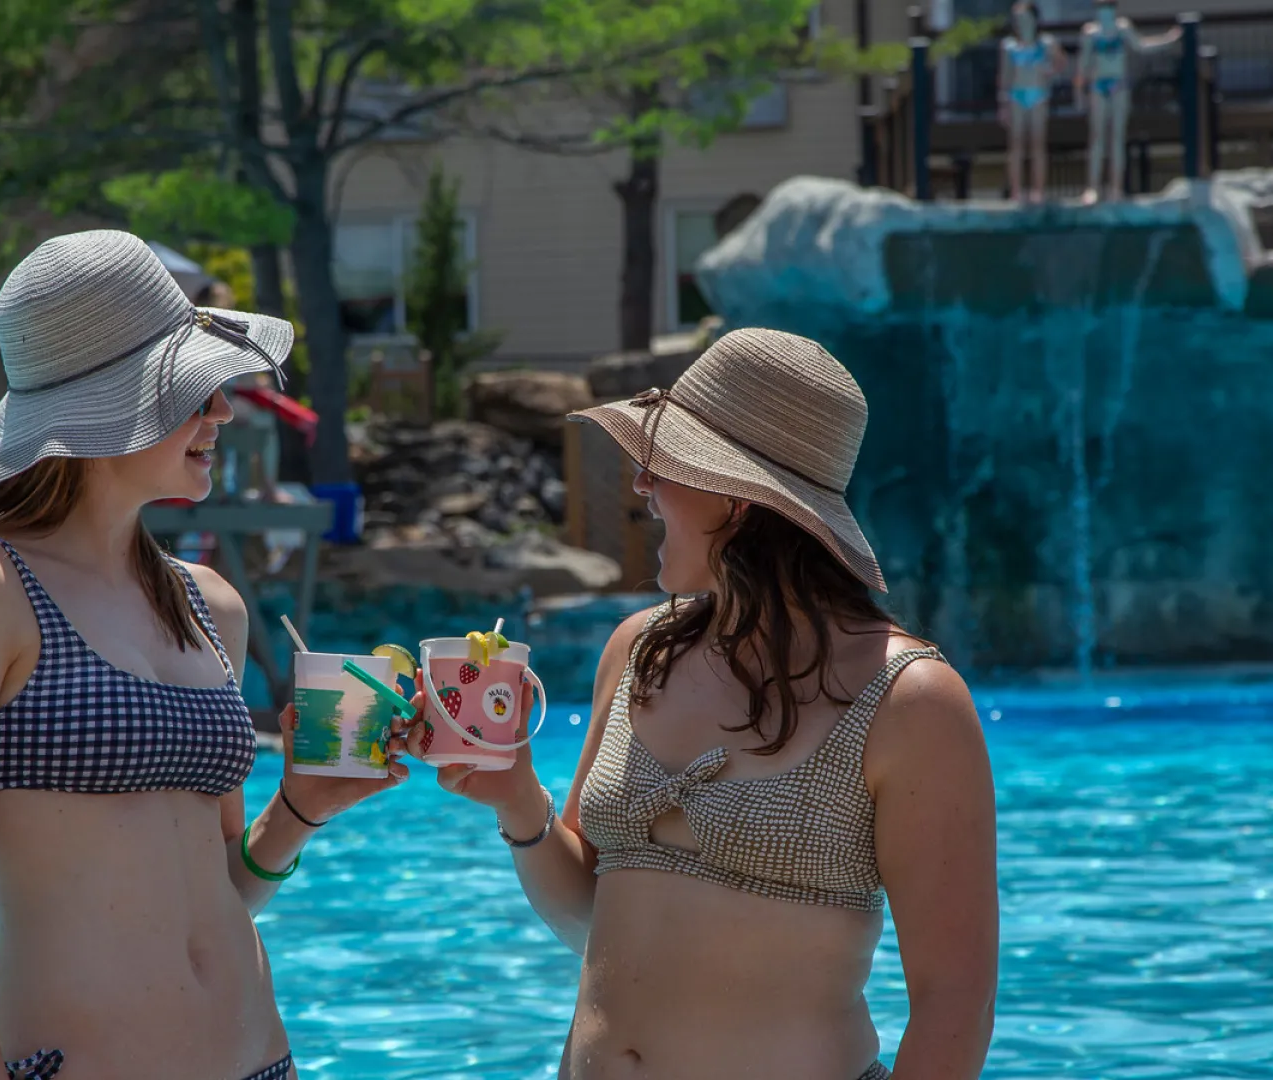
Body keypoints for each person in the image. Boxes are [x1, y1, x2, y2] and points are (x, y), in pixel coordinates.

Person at [0, 229, 412, 1080]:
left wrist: (303, 807)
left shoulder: (210, 606)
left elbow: (230, 890)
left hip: (262, 1061)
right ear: (109, 404)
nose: (223, 412)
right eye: (194, 392)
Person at [416, 328, 999, 1079]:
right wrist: (515, 796)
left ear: (735, 497)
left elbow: (956, 1009)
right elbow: (588, 917)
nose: (641, 487)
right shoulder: (638, 652)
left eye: (661, 466)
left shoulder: (908, 701)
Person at [1074, 0, 1183, 204]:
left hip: (1118, 85)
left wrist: (1168, 39)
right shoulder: (1090, 33)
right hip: (1099, 86)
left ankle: (1116, 188)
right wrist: (1079, 94)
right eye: (1101, 8)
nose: (1105, 13)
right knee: (1097, 138)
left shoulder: (1122, 28)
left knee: (1117, 138)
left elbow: (1141, 46)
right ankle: (1093, 188)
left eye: (1108, 8)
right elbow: (1083, 65)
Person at [997, 1, 1066, 204]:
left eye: (1025, 19)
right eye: (1018, 20)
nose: (1022, 23)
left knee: (1037, 144)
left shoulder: (1045, 43)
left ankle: (1038, 190)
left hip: (1038, 95)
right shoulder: (1010, 46)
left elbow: (1061, 62)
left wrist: (1050, 72)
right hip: (1017, 95)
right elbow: (1005, 76)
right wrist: (1003, 104)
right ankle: (1017, 190)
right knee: (1016, 145)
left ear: (1035, 20)